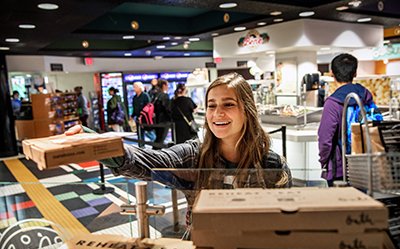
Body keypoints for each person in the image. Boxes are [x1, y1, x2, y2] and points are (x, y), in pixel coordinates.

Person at [66, 73, 291, 226]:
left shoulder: (272, 165)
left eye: (229, 104)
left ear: (247, 110)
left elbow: (287, 222)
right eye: (212, 105)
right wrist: (100, 147)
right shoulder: (195, 155)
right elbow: (150, 162)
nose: (217, 113)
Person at [318, 53, 380, 186]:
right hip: (365, 163)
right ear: (355, 73)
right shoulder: (365, 96)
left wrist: (324, 162)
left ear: (332, 73)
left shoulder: (332, 103)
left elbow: (325, 139)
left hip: (340, 167)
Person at [153, 79, 171, 147]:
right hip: (164, 121)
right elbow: (167, 109)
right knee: (161, 139)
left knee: (158, 138)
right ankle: (156, 154)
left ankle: (154, 152)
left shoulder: (156, 95)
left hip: (156, 120)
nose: (168, 87)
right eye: (167, 85)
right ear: (164, 85)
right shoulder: (164, 96)